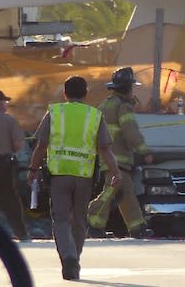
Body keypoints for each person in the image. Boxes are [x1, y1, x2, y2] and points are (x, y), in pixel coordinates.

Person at [27, 76, 121, 280]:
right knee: (79, 219)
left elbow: (41, 145)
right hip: (84, 176)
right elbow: (104, 148)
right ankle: (75, 259)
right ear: (86, 94)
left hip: (59, 174)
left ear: (65, 93)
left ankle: (68, 257)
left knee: (60, 218)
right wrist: (115, 172)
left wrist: (32, 168)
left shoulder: (55, 112)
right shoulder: (95, 115)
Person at [87, 67, 154, 239]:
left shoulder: (104, 105)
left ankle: (137, 227)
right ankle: (92, 221)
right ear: (127, 88)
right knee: (113, 189)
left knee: (126, 192)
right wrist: (144, 151)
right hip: (118, 158)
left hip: (107, 157)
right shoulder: (123, 107)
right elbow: (130, 131)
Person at [0, 90, 30, 241]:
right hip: (3, 164)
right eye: (4, 102)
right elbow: (18, 144)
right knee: (10, 199)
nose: (6, 104)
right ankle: (21, 233)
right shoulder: (9, 120)